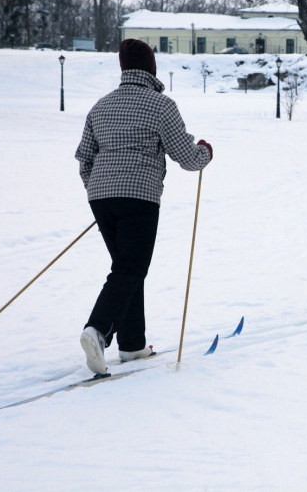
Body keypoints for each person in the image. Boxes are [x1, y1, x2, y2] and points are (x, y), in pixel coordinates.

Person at [75, 39, 213, 375]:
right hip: (140, 196)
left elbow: (84, 159)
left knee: (127, 267)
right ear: (151, 67)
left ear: (124, 68)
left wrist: (101, 191)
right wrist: (205, 152)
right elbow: (186, 156)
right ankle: (98, 330)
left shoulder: (101, 105)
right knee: (131, 269)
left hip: (101, 197)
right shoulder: (161, 105)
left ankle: (133, 344)